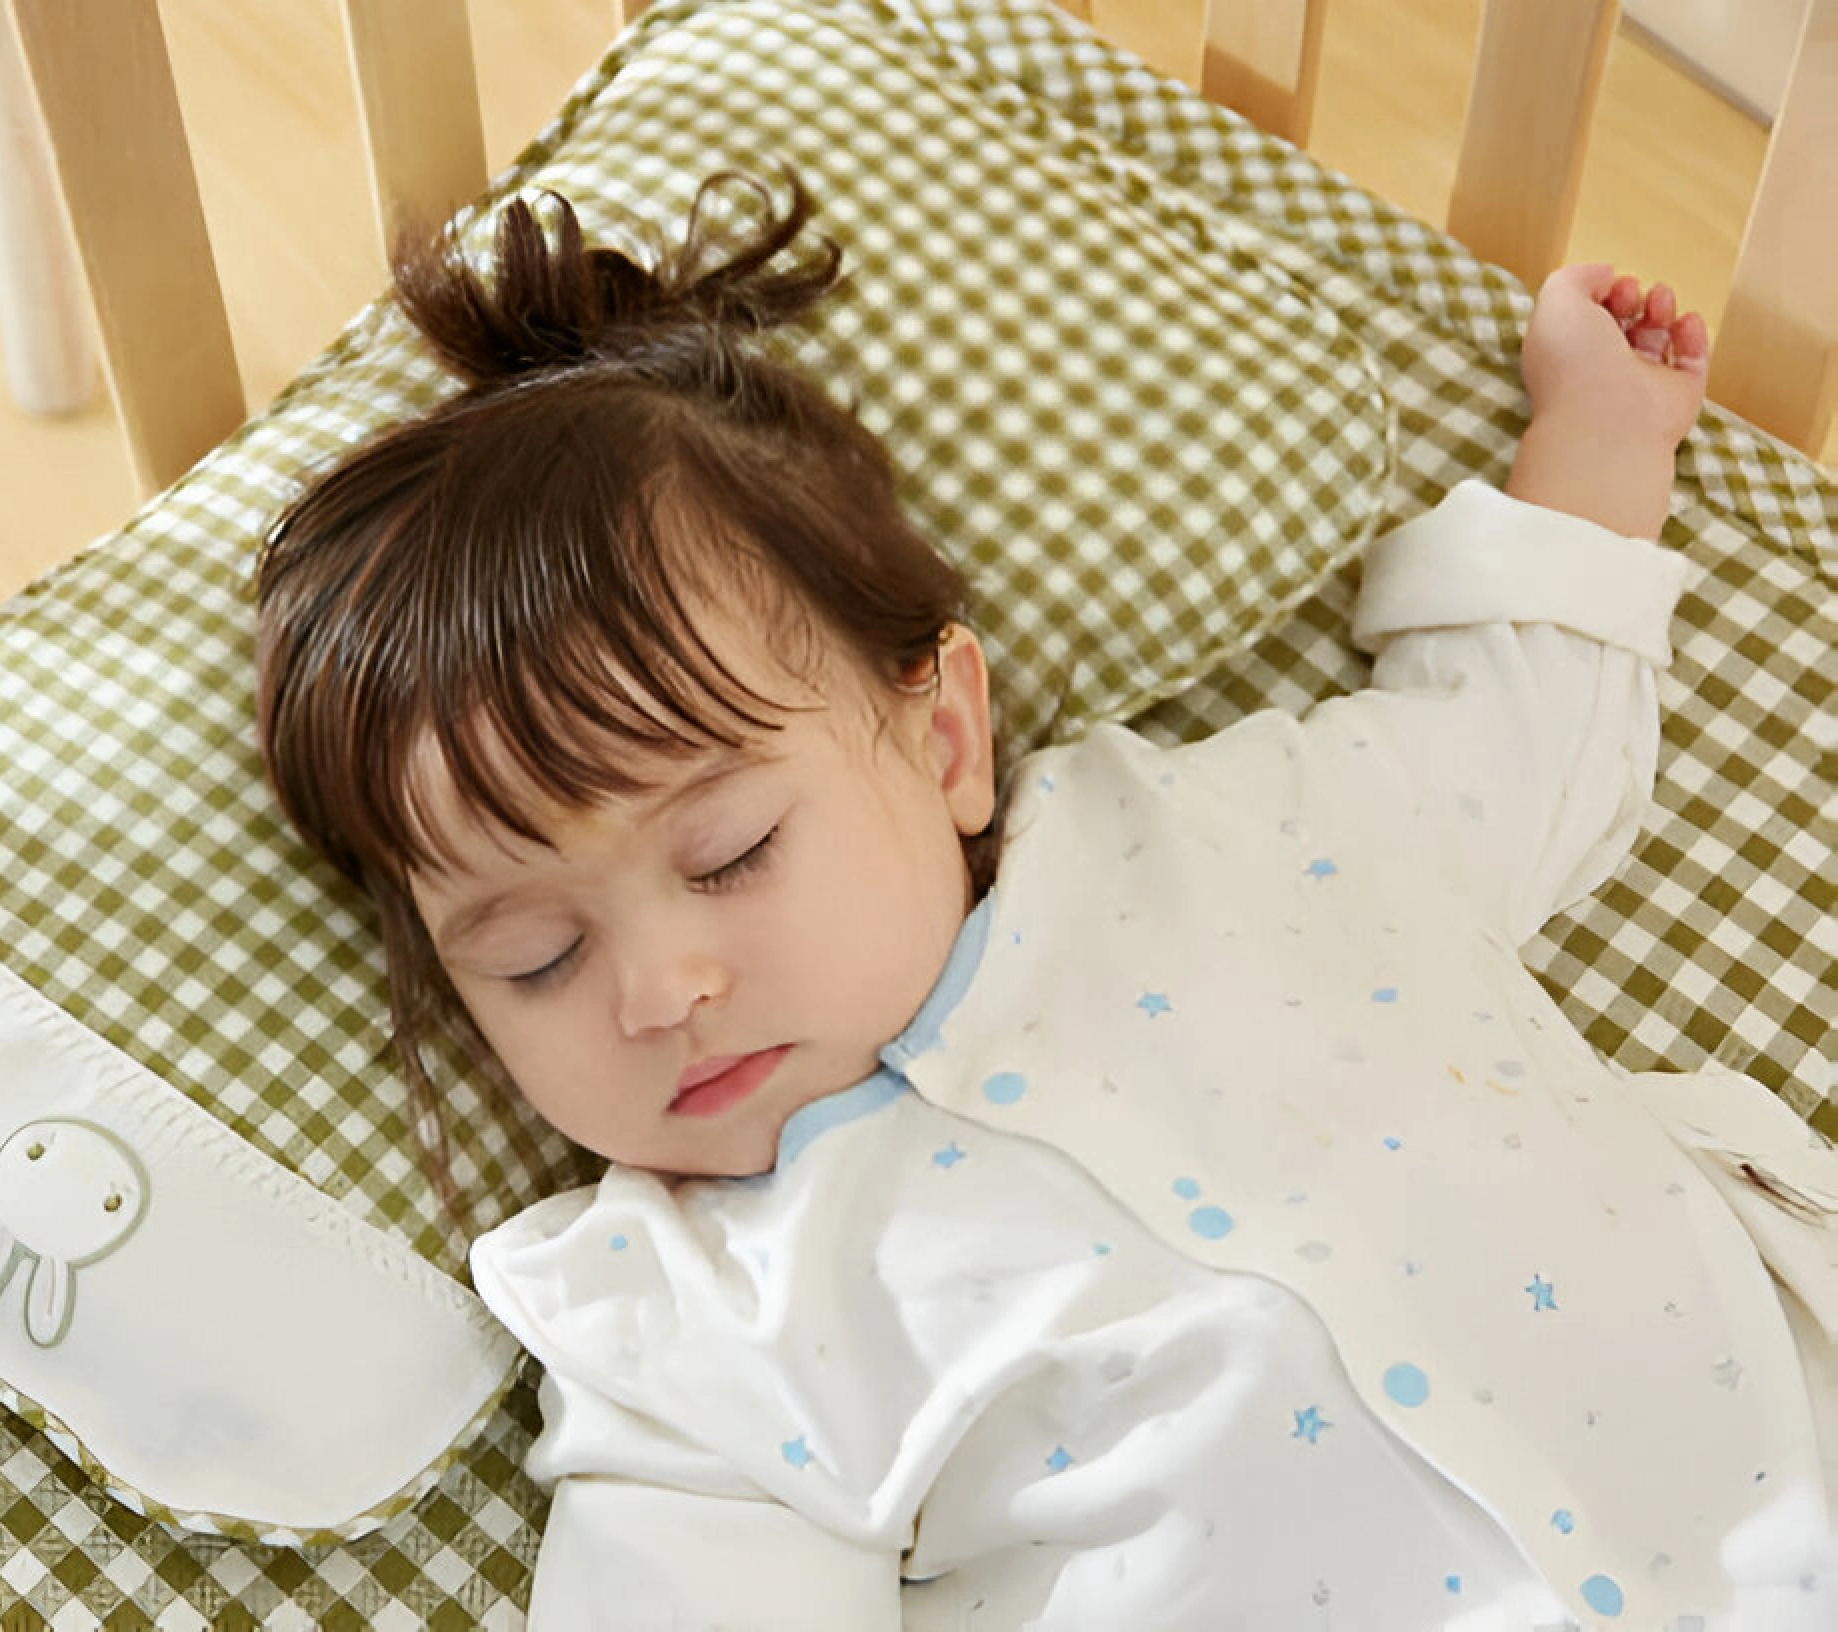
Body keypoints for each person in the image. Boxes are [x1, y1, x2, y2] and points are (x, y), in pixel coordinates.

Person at [254, 175, 1837, 1628]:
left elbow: (1511, 742)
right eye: (534, 959)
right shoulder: (694, 1332)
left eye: (731, 853)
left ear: (942, 736)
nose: (658, 987)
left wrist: (1601, 451)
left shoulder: (1222, 832)